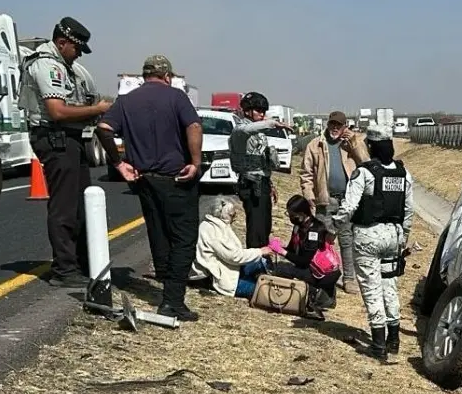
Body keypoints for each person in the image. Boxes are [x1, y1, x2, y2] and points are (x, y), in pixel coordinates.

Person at [95, 55, 202, 322]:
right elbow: (194, 125)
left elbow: (103, 128)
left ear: (144, 76)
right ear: (167, 76)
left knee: (158, 233)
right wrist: (196, 162)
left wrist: (119, 164)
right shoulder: (176, 97)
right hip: (174, 177)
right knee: (183, 238)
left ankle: (167, 291)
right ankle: (173, 301)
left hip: (144, 179)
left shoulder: (127, 101)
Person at [16, 17, 112, 288]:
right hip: (55, 138)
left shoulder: (70, 67)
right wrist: (96, 110)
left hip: (69, 138)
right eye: (77, 48)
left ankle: (80, 262)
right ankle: (64, 269)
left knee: (81, 203)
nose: (79, 53)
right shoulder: (47, 65)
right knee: (65, 207)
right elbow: (57, 111)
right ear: (62, 42)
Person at [332, 124, 414, 361]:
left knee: (371, 288)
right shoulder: (403, 173)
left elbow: (348, 207)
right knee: (390, 286)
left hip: (368, 236)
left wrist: (333, 226)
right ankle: (394, 338)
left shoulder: (364, 172)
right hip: (393, 236)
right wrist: (403, 238)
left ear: (371, 145)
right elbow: (408, 210)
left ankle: (378, 342)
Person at [300, 111, 369, 295]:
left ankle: (349, 278)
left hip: (347, 200)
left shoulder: (351, 144)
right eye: (332, 124)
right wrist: (308, 195)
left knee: (347, 240)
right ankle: (321, 271)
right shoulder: (316, 144)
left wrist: (354, 141)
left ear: (345, 126)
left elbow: (366, 163)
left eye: (339, 125)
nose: (335, 128)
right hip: (326, 199)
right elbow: (306, 174)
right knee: (323, 239)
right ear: (328, 125)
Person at [263, 195, 342, 315]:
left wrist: (282, 252)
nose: (290, 217)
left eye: (292, 215)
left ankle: (317, 292)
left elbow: (304, 261)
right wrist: (278, 247)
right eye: (288, 214)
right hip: (310, 268)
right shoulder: (298, 227)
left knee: (283, 270)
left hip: (321, 274)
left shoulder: (315, 231)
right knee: (280, 268)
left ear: (302, 213)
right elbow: (292, 250)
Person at [190, 196, 274, 299]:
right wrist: (259, 251)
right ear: (224, 213)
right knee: (260, 291)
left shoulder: (219, 224)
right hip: (220, 277)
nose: (234, 217)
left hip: (229, 267)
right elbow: (233, 256)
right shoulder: (212, 230)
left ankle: (266, 282)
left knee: (259, 263)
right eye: (232, 215)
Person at [229, 91, 281, 249]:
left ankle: (263, 258)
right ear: (247, 111)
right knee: (256, 228)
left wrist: (270, 184)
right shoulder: (240, 130)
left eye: (264, 111)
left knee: (265, 225)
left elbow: (261, 160)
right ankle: (254, 264)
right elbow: (245, 130)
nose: (262, 114)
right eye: (259, 110)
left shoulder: (259, 133)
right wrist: (271, 123)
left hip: (263, 183)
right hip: (251, 185)